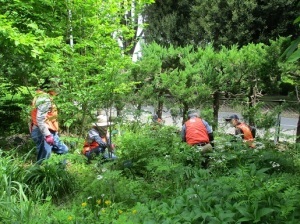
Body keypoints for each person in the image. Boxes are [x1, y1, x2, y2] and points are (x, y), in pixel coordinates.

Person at [30, 79, 68, 164]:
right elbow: (40, 119)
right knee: (43, 160)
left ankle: (59, 174)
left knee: (63, 150)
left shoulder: (41, 96)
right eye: (58, 88)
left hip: (47, 131)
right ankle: (36, 176)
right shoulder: (44, 99)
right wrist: (47, 135)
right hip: (43, 132)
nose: (59, 91)